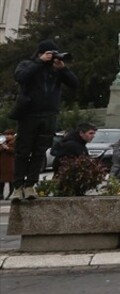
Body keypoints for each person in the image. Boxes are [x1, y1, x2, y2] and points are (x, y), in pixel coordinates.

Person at [11, 39, 78, 200]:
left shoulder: (56, 70)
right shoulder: (28, 64)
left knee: (40, 152)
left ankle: (30, 186)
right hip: (29, 115)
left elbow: (75, 84)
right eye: (49, 54)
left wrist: (64, 69)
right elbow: (20, 77)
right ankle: (18, 186)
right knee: (23, 151)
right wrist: (39, 62)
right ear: (41, 54)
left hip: (49, 115)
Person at [0, 129, 16, 200]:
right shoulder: (3, 142)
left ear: (12, 135)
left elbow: (15, 151)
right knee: (1, 180)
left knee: (10, 179)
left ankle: (11, 193)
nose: (6, 136)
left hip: (10, 164)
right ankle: (1, 194)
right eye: (5, 135)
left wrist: (7, 148)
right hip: (2, 164)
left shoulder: (15, 142)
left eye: (8, 135)